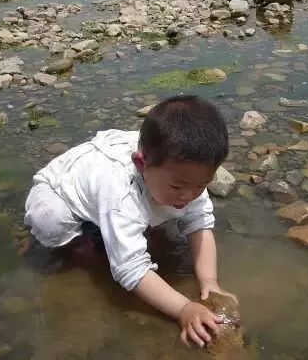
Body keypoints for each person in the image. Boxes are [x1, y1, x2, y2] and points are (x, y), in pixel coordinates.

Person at [24, 95, 236, 348]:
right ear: (140, 163)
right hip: (60, 191)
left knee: (157, 221)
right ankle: (79, 243)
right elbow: (130, 269)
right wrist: (183, 309)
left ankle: (114, 228)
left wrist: (210, 283)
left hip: (115, 184)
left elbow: (200, 225)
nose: (189, 195)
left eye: (202, 185)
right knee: (54, 224)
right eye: (178, 186)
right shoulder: (121, 194)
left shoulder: (179, 173)